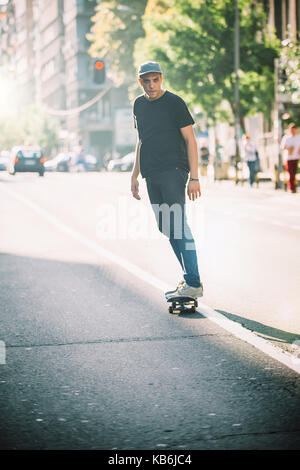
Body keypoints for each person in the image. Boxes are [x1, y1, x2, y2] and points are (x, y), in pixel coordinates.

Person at [131, 61, 203, 299]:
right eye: (146, 81)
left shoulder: (174, 102)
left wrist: (194, 177)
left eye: (155, 80)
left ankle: (193, 281)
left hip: (174, 170)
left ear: (161, 78)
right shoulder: (138, 105)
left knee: (178, 224)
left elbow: (191, 140)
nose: (151, 85)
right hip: (151, 173)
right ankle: (188, 279)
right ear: (140, 82)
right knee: (166, 227)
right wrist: (134, 175)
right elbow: (143, 140)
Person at [281, 123, 300, 193]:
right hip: (288, 158)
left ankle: (293, 187)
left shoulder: (298, 138)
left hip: (295, 157)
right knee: (290, 173)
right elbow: (282, 147)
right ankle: (292, 188)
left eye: (294, 130)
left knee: (294, 173)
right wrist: (289, 148)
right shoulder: (286, 138)